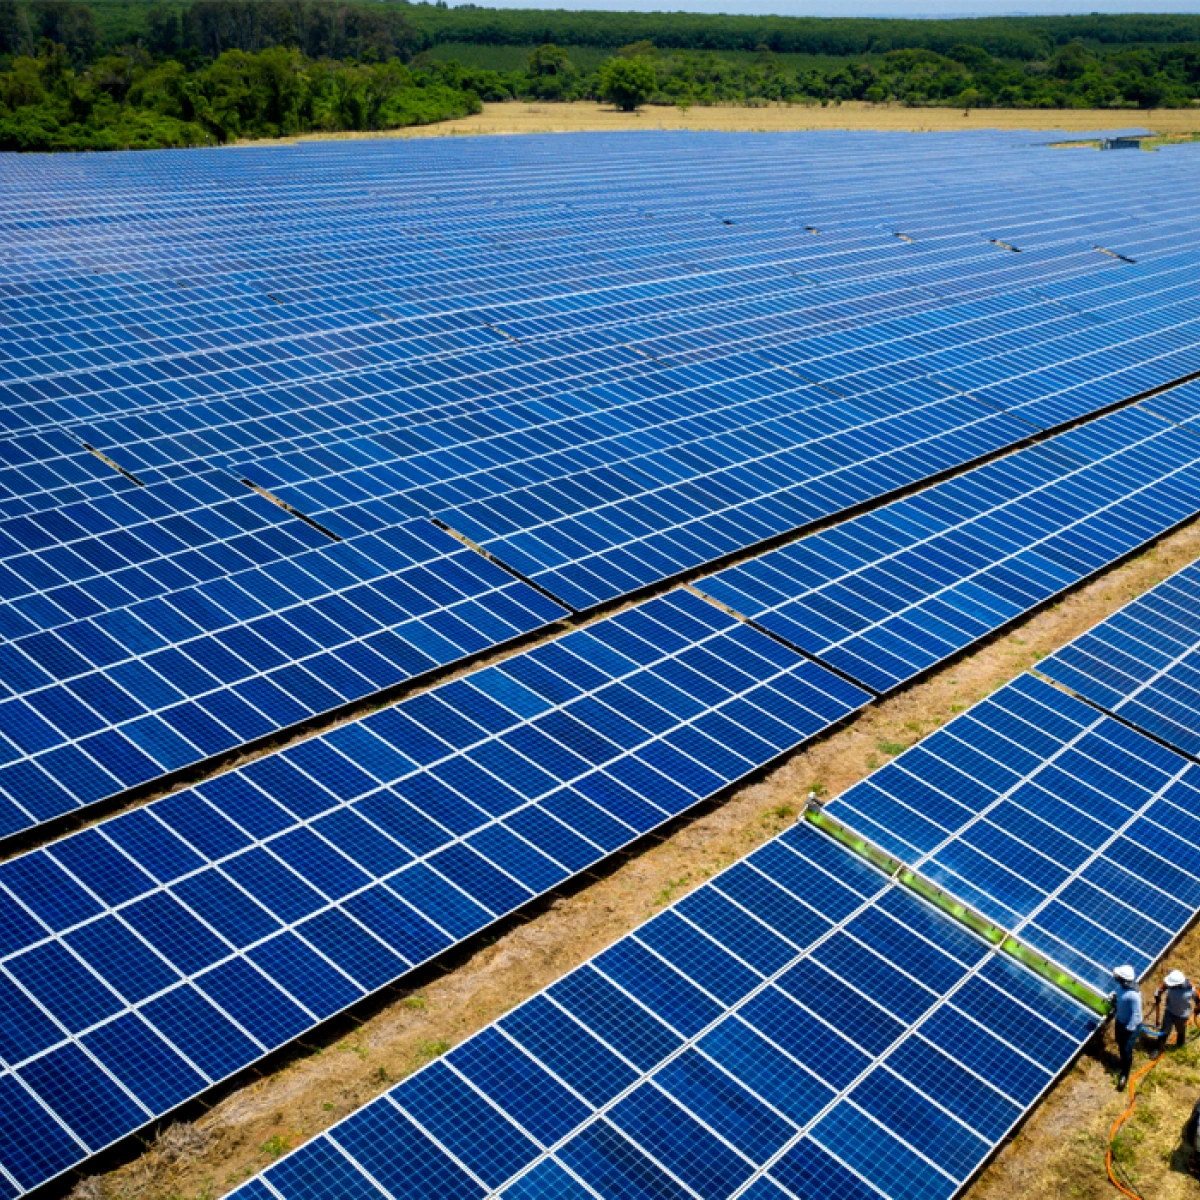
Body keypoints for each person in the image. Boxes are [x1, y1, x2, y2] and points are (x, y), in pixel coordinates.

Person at [1111, 964, 1144, 1089]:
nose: (1115, 977)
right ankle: (1122, 1061)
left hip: (1131, 1026)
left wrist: (1129, 1029)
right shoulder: (1121, 987)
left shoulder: (1134, 995)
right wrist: (1114, 997)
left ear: (1123, 979)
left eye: (1118, 976)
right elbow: (1118, 996)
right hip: (1120, 1021)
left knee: (1126, 1048)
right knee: (1119, 1042)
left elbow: (1136, 1015)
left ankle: (1124, 1074)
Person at [1154, 970, 1196, 1049]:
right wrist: (1157, 993)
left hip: (1182, 1015)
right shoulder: (1170, 984)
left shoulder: (1191, 988)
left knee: (1180, 1031)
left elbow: (1198, 999)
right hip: (1169, 1012)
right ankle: (1158, 1048)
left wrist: (1197, 1009)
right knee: (1164, 1031)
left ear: (1178, 984)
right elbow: (1161, 989)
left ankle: (1180, 1045)